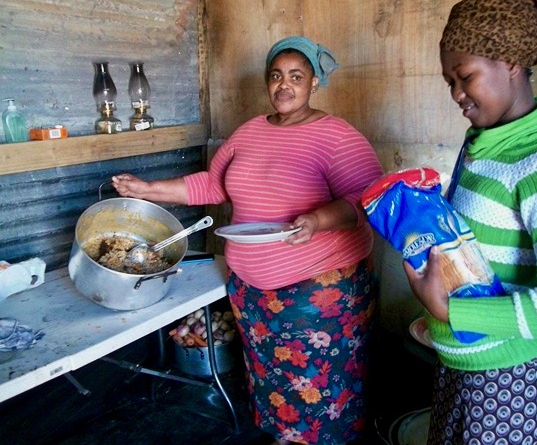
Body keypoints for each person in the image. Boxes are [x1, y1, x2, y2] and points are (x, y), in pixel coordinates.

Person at [112, 36, 383, 445]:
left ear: (314, 83)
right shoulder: (249, 132)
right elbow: (212, 185)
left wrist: (317, 220)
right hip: (252, 289)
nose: (284, 85)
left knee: (324, 378)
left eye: (296, 76)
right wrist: (148, 190)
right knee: (270, 373)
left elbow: (366, 199)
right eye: (276, 76)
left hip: (319, 290)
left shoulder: (336, 135)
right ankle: (285, 434)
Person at [402, 0, 537, 444]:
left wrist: (456, 314)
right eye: (450, 80)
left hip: (515, 387)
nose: (456, 93)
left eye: (465, 77)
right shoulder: (484, 145)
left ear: (511, 61)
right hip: (465, 369)